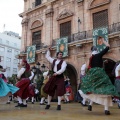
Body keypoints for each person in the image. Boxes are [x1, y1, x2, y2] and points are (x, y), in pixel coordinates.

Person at [79, 39, 120, 115]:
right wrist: (104, 41)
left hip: (92, 74)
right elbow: (108, 46)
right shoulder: (99, 54)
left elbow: (87, 67)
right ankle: (106, 110)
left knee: (94, 89)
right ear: (96, 50)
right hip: (100, 73)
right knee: (106, 89)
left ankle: (90, 105)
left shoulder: (90, 57)